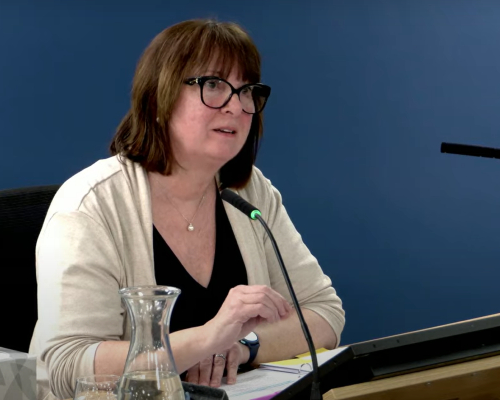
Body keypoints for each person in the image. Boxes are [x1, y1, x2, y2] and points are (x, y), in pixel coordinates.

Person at [28, 19, 345, 400]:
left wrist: (244, 345)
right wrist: (207, 338)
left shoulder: (249, 191)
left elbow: (324, 314)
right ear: (159, 98)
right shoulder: (90, 206)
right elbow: (66, 365)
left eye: (246, 90)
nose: (236, 106)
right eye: (213, 85)